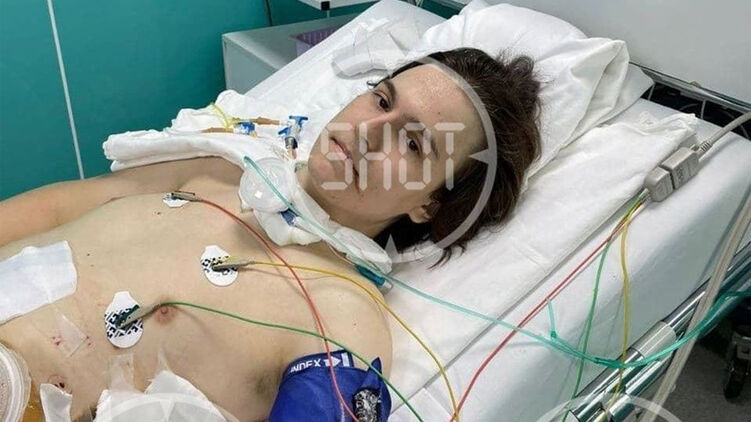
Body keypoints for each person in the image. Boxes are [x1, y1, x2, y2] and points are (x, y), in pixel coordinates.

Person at [0, 48, 540, 421]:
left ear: (429, 205)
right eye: (381, 99)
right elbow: (55, 207)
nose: (369, 132)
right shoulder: (216, 166)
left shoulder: (342, 318)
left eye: (414, 143)